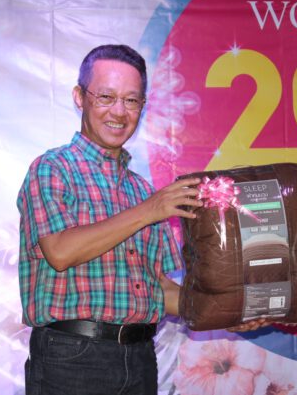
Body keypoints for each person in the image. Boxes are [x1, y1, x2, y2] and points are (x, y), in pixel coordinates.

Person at [17, 44, 203, 395]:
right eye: (106, 96)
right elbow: (60, 252)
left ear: (142, 106)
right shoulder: (52, 168)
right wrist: (149, 210)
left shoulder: (142, 190)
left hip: (140, 358)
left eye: (131, 100)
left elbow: (160, 288)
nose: (119, 111)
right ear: (79, 97)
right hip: (71, 358)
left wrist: (230, 310)